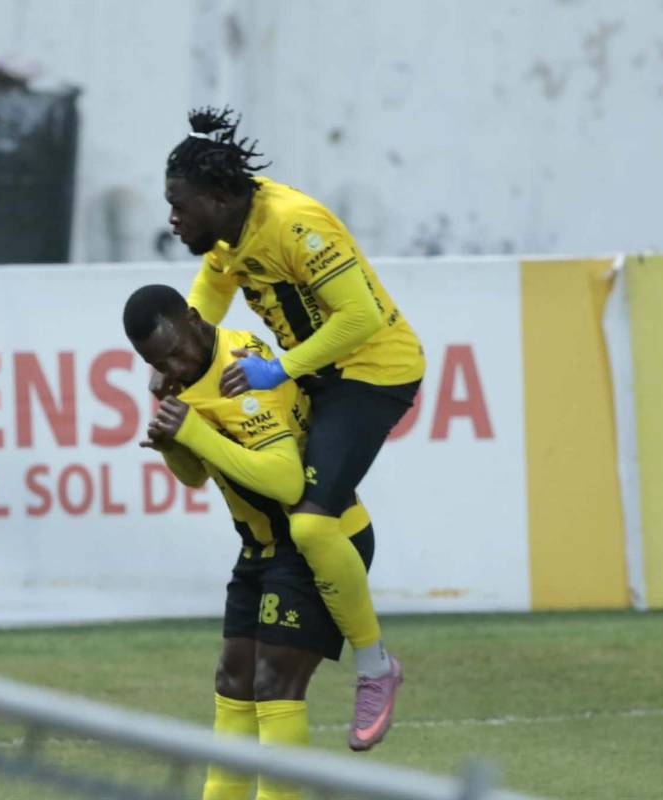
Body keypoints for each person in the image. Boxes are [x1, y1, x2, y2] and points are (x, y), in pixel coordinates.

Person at [163, 107, 425, 751]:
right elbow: (212, 285)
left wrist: (279, 371)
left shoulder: (294, 225)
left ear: (220, 199)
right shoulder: (229, 232)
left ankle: (375, 667)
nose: (173, 219)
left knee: (309, 520)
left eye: (181, 206)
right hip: (319, 374)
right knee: (316, 509)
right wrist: (185, 351)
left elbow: (361, 317)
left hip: (371, 370)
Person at [124, 284, 377, 799]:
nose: (172, 366)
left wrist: (192, 431)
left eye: (176, 350)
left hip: (316, 539)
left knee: (274, 684)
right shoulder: (182, 378)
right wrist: (174, 446)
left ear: (195, 319)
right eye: (158, 362)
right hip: (260, 548)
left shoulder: (242, 367)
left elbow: (286, 482)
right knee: (233, 680)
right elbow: (196, 474)